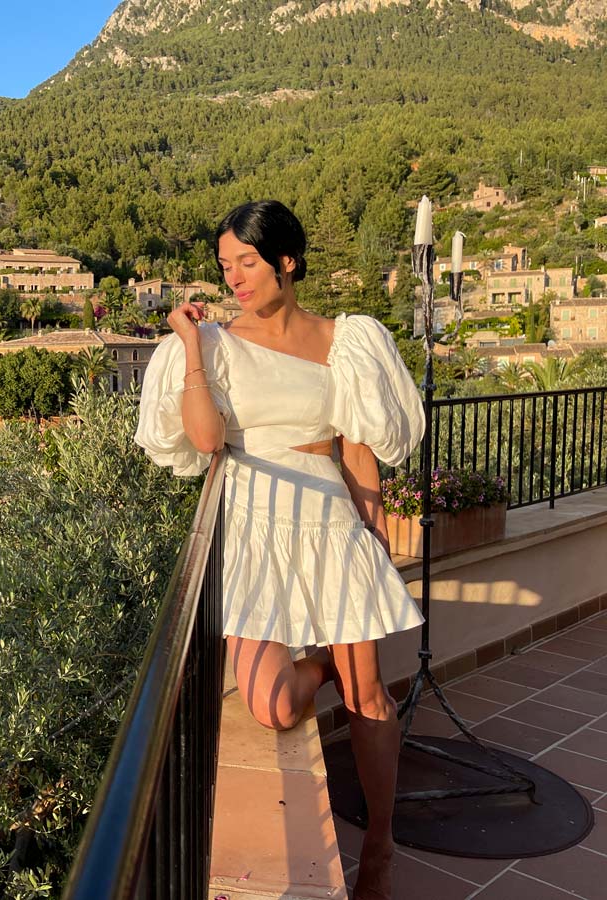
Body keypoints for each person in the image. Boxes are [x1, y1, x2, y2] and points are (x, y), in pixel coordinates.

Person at [134, 200, 425, 900]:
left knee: (370, 701)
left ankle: (380, 848)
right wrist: (193, 348)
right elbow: (206, 443)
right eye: (225, 264)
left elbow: (357, 449)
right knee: (270, 704)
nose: (234, 277)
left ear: (286, 260)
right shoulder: (208, 342)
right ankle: (321, 661)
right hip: (252, 526)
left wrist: (372, 537)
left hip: (327, 518)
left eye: (247, 262)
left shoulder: (346, 339)